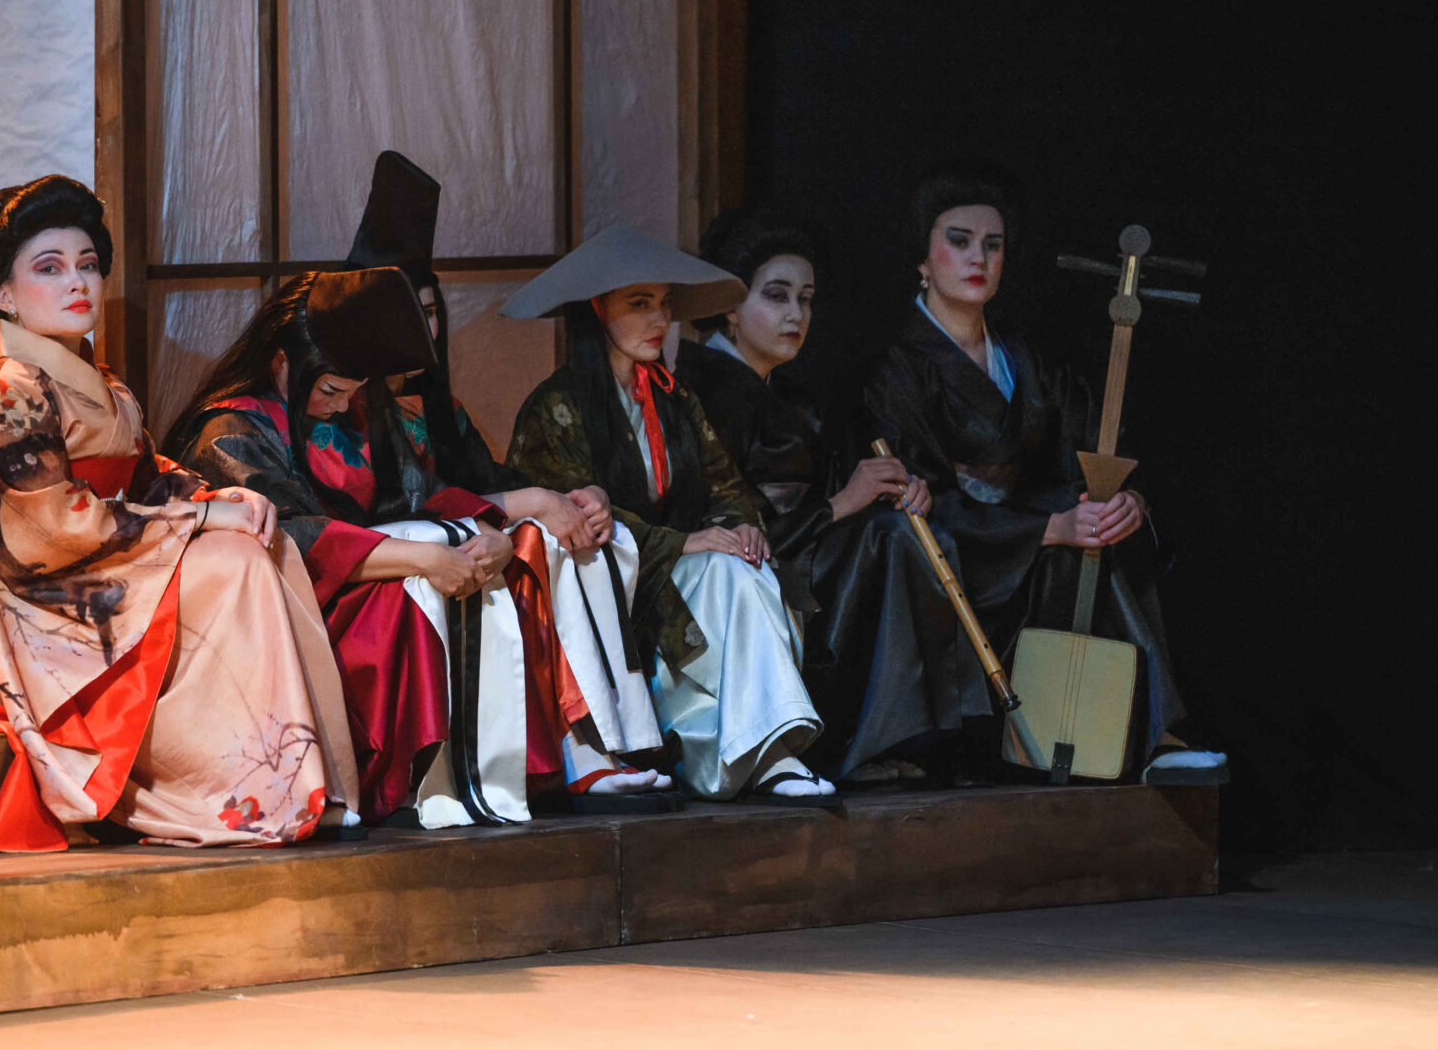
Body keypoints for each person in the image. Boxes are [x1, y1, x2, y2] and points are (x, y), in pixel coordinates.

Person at [0, 176, 361, 851]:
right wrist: (196, 523)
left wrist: (213, 499)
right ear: (4, 295)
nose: (76, 282)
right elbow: (46, 526)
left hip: (97, 564)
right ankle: (235, 787)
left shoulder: (105, 384)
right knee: (228, 564)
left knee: (261, 545)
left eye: (87, 264)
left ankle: (292, 778)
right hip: (20, 595)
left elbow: (147, 476)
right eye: (49, 268)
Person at [857, 164, 1226, 784]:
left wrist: (1121, 500)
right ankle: (1148, 736)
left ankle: (1144, 737)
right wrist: (1045, 529)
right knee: (933, 536)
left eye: (993, 245)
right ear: (921, 259)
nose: (978, 258)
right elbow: (914, 496)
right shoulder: (896, 370)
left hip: (1028, 541)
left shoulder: (1022, 357)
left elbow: (1088, 449)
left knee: (1104, 530)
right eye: (958, 241)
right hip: (958, 551)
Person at [161, 269, 548, 827]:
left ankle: (476, 771)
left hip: (352, 579)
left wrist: (488, 531)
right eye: (331, 391)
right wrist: (422, 558)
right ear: (281, 361)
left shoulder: (353, 415)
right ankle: (404, 775)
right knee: (406, 590)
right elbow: (291, 538)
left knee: (488, 551)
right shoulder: (229, 429)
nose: (343, 406)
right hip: (280, 614)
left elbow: (420, 495)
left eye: (352, 391)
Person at [342, 152, 671, 806]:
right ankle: (568, 752)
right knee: (535, 538)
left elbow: (487, 479)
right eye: (408, 312)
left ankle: (614, 742)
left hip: (456, 538)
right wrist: (531, 502)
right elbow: (404, 504)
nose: (423, 329)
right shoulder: (347, 408)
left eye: (432, 313)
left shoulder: (442, 410)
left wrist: (579, 499)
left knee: (586, 538)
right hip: (390, 563)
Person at [502, 224, 837, 804]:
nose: (659, 319)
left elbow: (726, 484)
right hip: (610, 586)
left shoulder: (674, 398)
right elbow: (570, 517)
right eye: (639, 304)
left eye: (663, 304)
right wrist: (681, 542)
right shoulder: (557, 407)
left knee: (743, 567)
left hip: (675, 569)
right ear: (598, 308)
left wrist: (740, 526)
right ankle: (762, 756)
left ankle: (768, 752)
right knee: (725, 574)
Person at [679, 210, 992, 786]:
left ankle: (909, 739)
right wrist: (848, 502)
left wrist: (891, 488)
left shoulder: (788, 394)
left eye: (806, 299)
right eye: (776, 296)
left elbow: (831, 495)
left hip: (804, 552)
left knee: (906, 531)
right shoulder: (704, 389)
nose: (796, 315)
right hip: (743, 569)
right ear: (730, 307)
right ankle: (857, 745)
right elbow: (731, 517)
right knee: (891, 541)